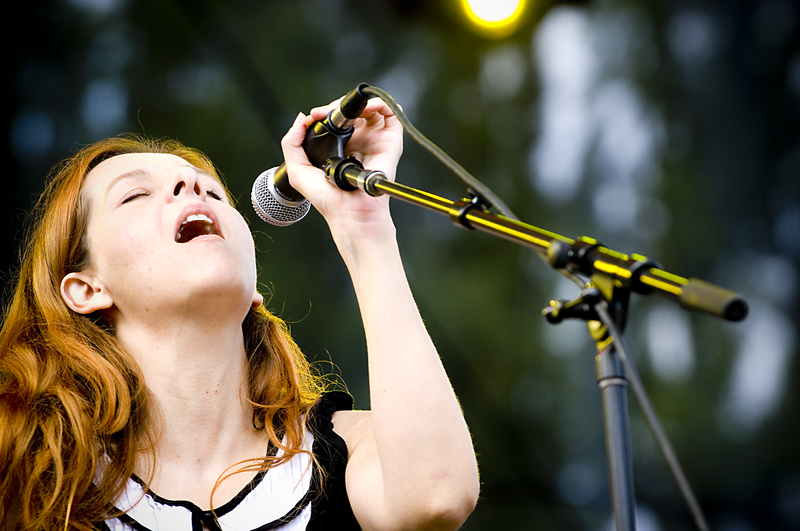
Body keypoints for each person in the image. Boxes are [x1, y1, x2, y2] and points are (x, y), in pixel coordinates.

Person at [0, 98, 480, 530]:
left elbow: (435, 498)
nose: (191, 185)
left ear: (253, 289)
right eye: (135, 195)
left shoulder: (342, 453)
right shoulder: (25, 468)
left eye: (212, 194)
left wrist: (366, 229)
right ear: (86, 289)